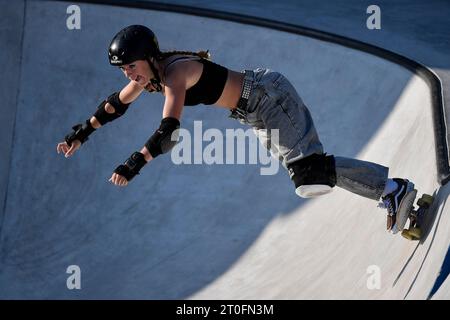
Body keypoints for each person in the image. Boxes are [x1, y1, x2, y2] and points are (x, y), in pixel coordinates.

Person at [56, 25, 417, 234]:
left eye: (130, 67)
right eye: (123, 70)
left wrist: (135, 162)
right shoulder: (146, 76)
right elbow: (114, 105)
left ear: (148, 58)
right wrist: (81, 133)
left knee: (310, 176)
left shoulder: (174, 73)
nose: (128, 75)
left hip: (268, 97)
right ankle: (390, 190)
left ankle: (392, 189)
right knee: (308, 174)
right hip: (255, 111)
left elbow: (169, 130)